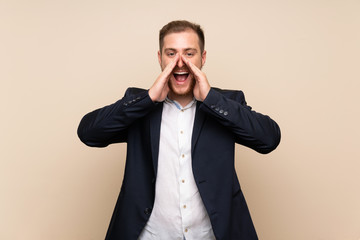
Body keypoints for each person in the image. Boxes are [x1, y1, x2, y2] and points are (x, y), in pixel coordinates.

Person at [77, 20, 281, 240]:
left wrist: (211, 99)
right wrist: (147, 99)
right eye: (171, 53)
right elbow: (88, 133)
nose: (180, 63)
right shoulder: (139, 104)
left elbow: (268, 139)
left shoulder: (227, 103)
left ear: (203, 58)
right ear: (160, 58)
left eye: (189, 53)